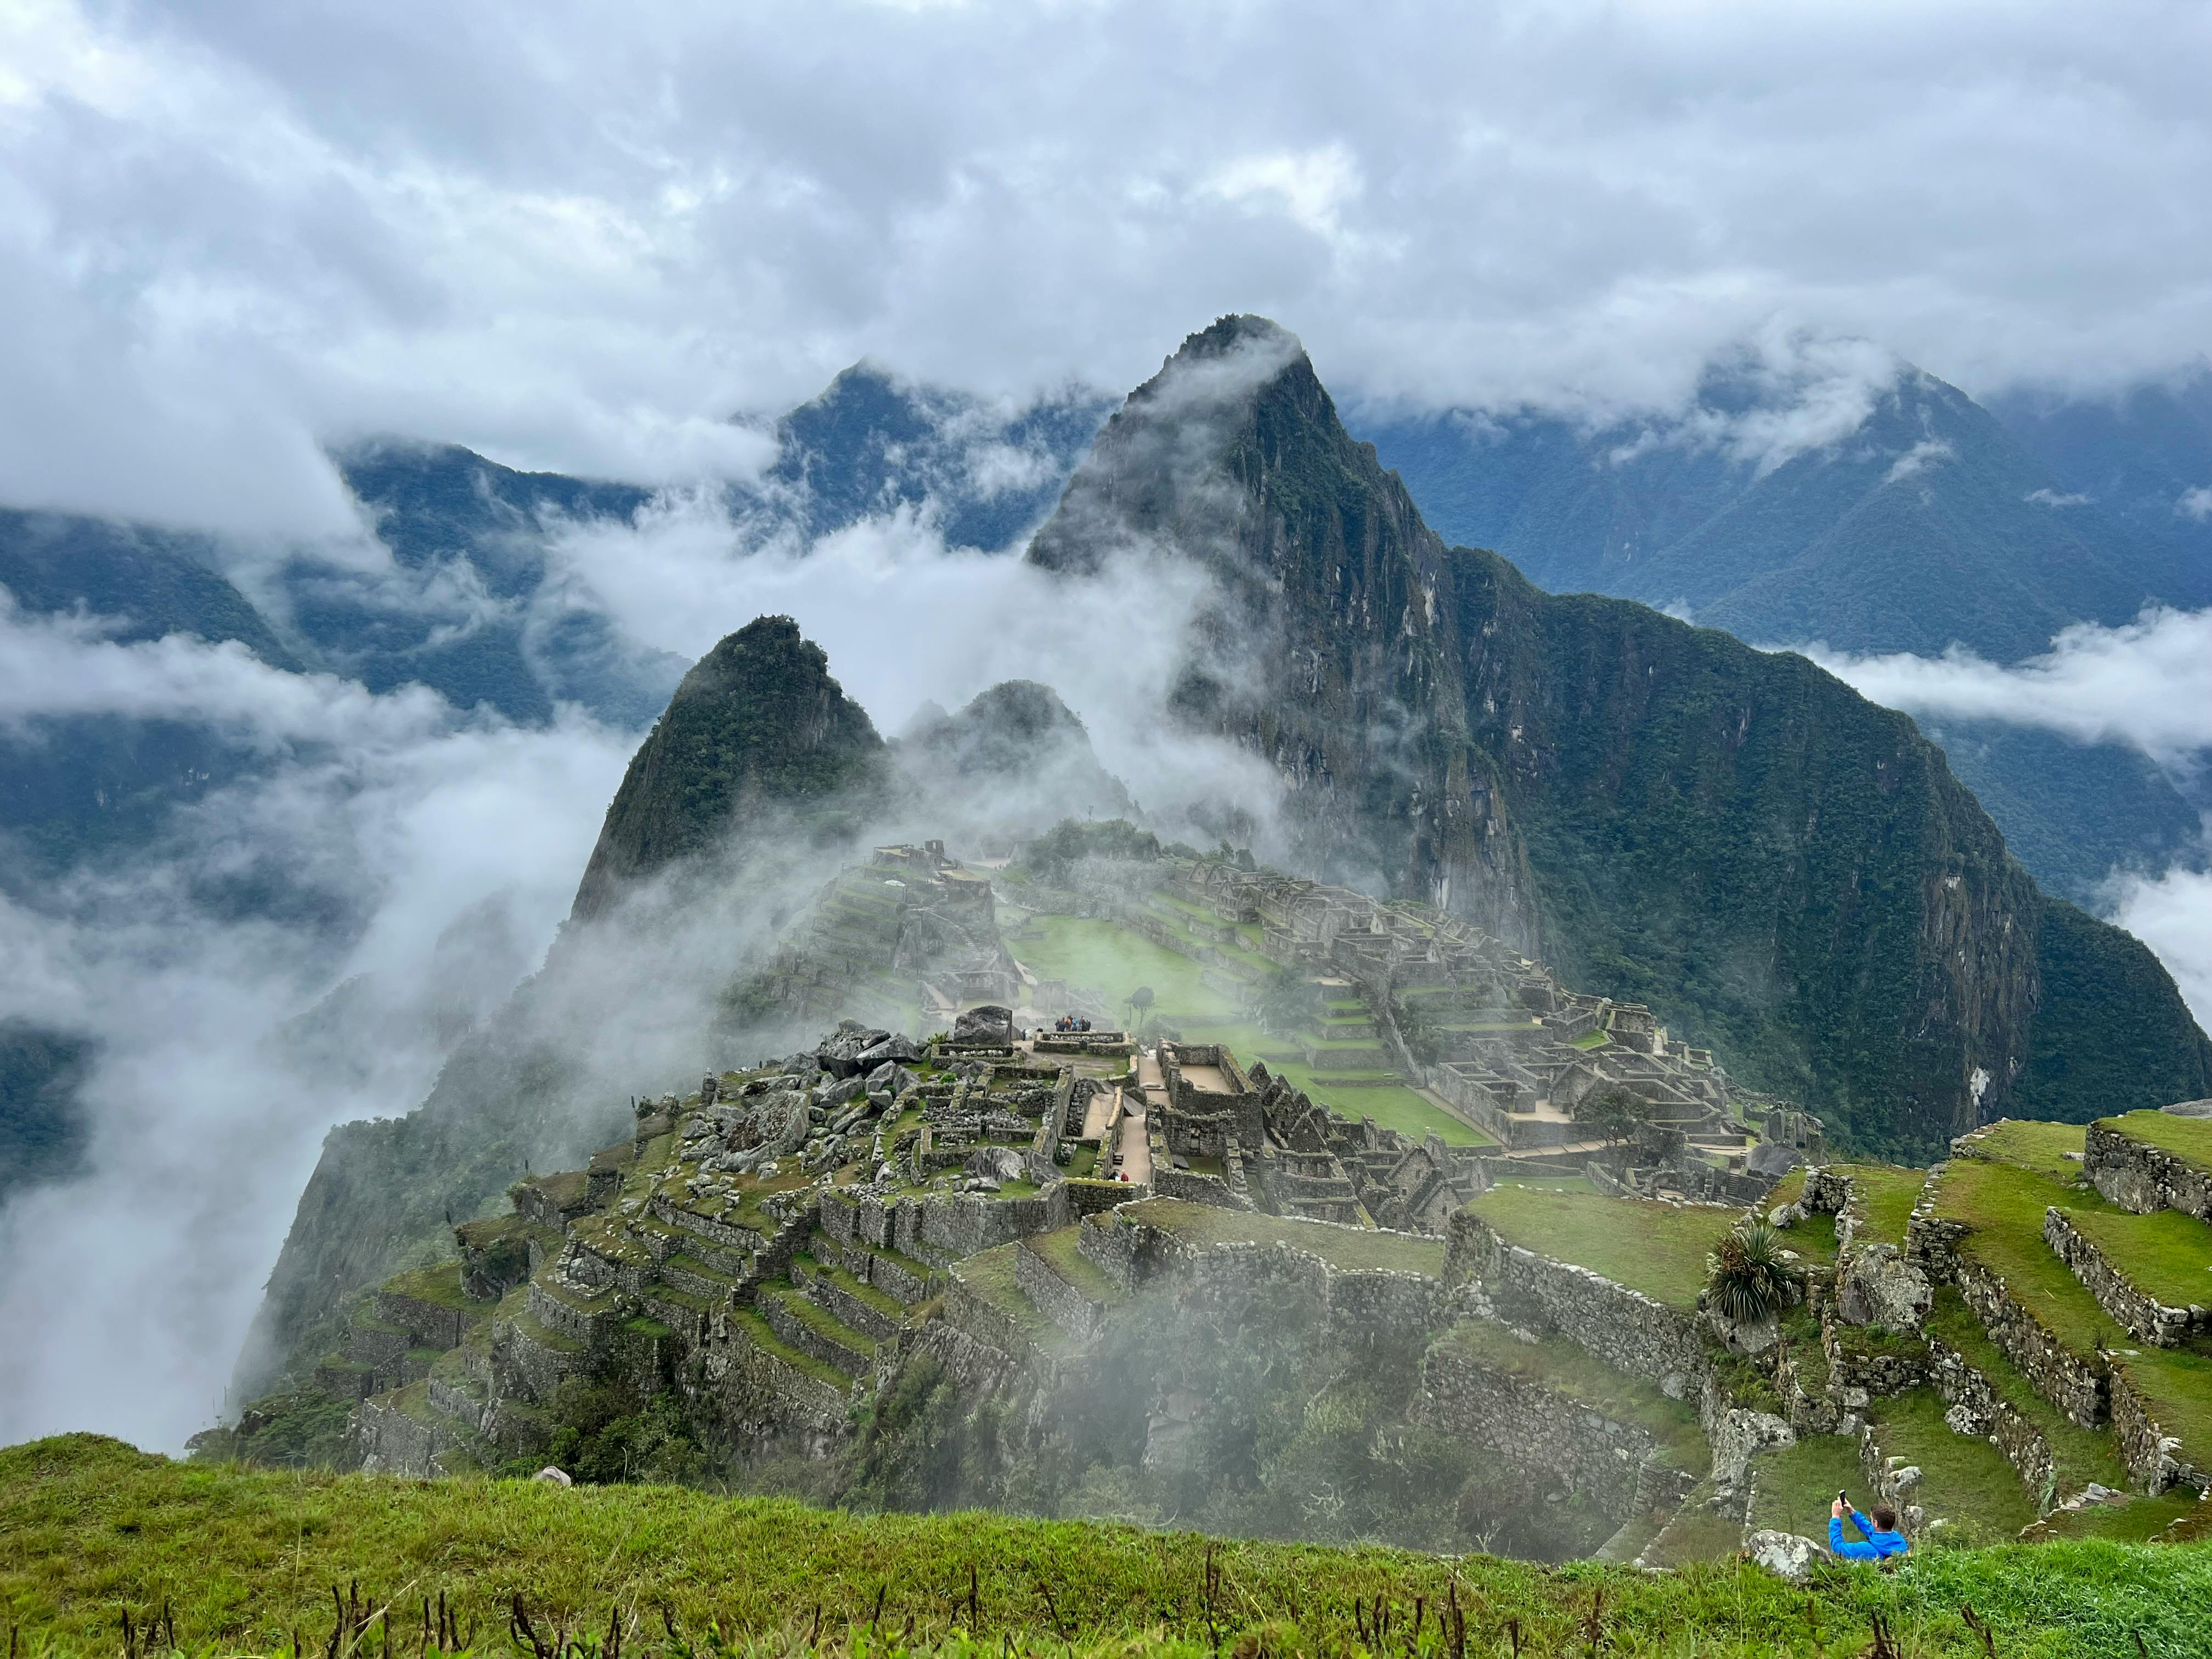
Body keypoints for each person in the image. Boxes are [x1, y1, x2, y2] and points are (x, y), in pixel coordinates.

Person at [1829, 1494, 1909, 1562]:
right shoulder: (1900, 1541)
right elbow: (1872, 1530)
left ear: (1876, 1523)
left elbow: (1837, 1548)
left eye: (1872, 1519)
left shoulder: (1866, 1549)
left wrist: (1835, 1517)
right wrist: (1852, 1512)